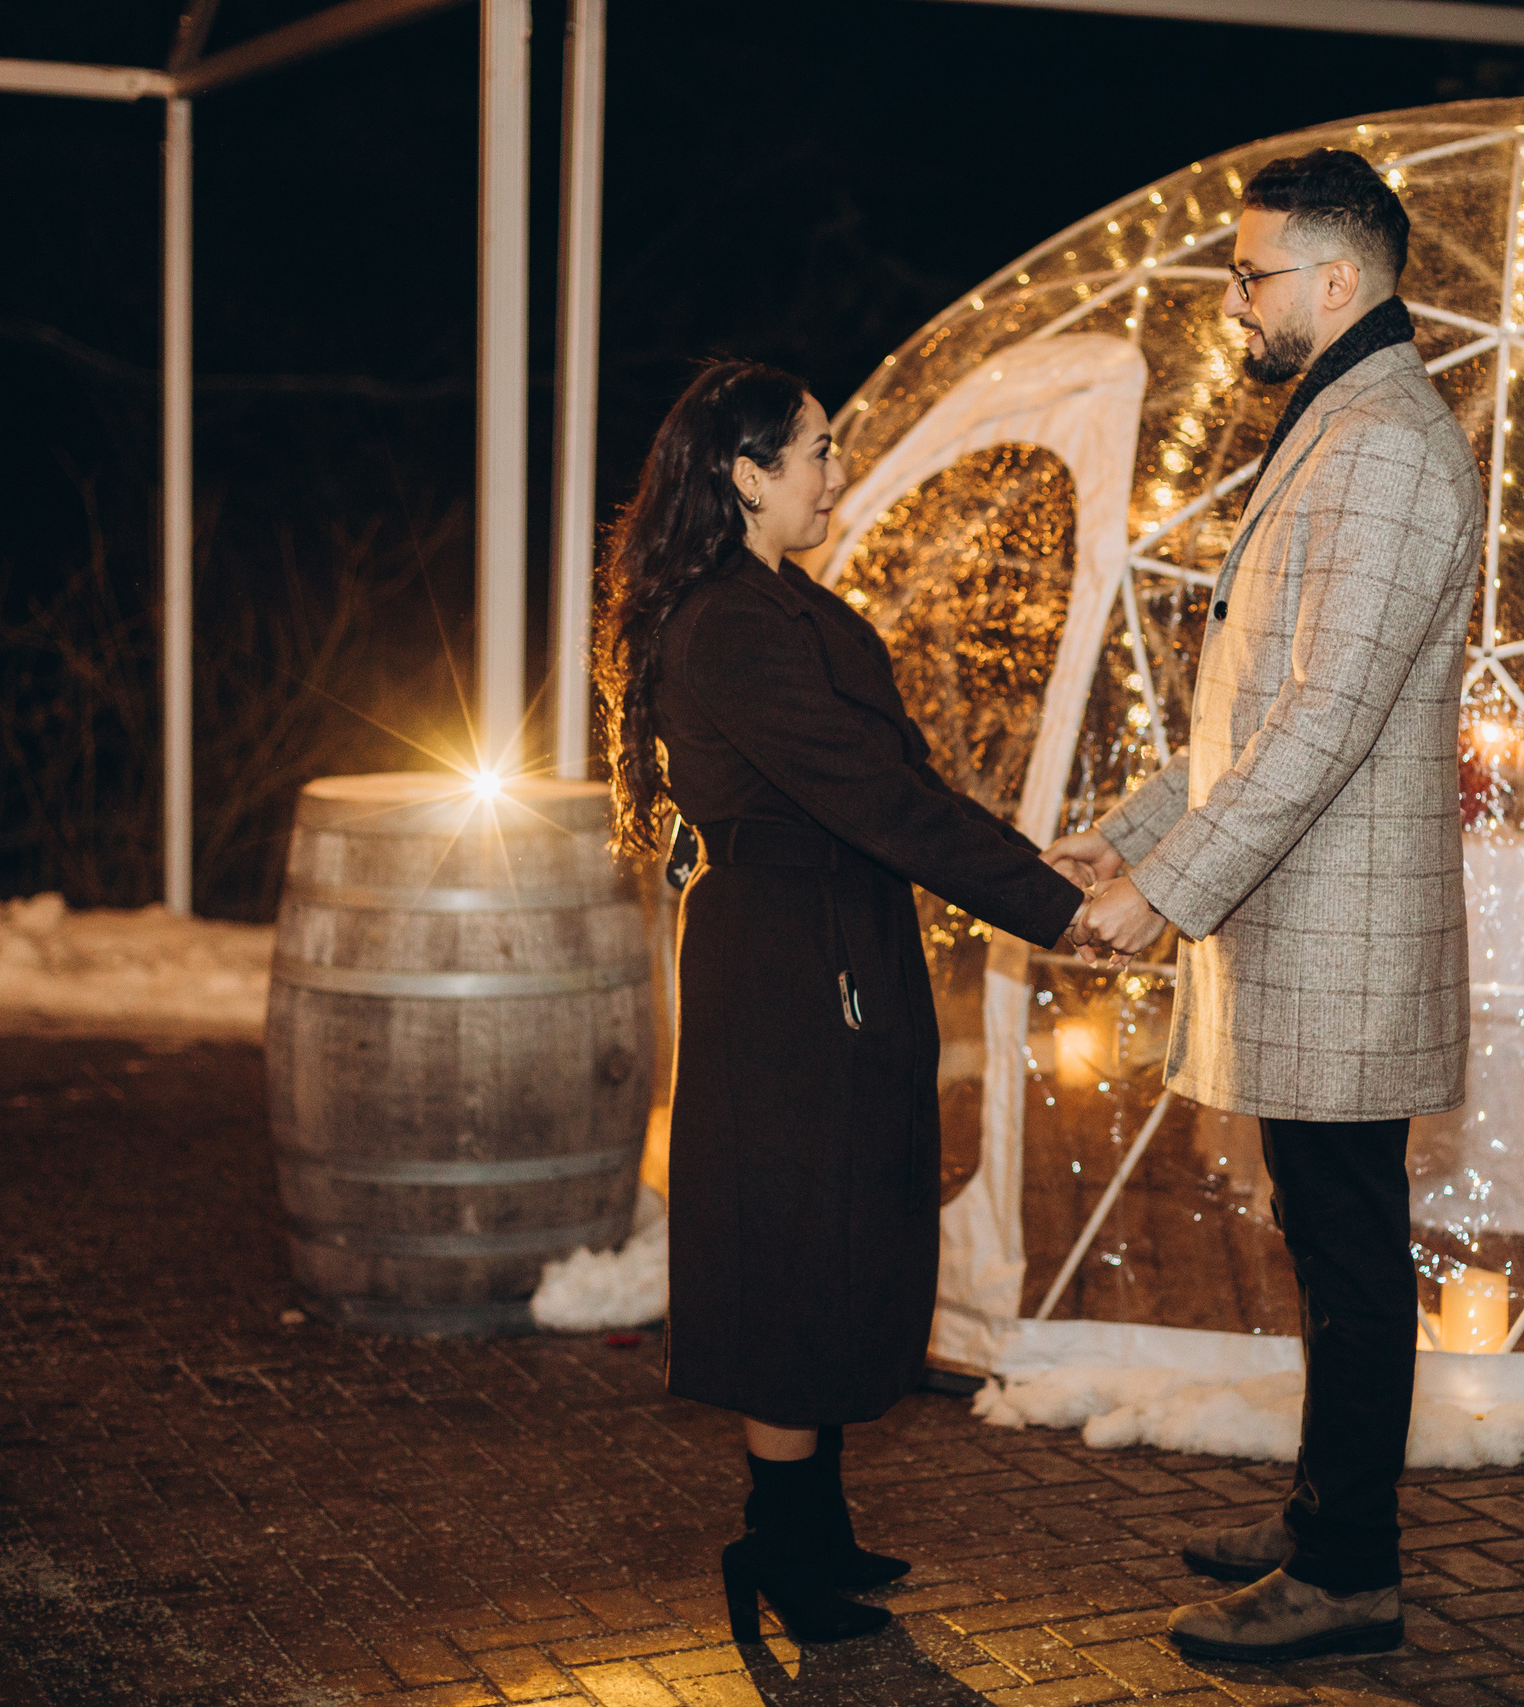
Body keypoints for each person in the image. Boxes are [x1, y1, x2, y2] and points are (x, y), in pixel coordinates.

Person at [1047, 148, 1482, 1662]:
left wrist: (1167, 892)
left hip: (1341, 933)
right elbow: (1259, 705)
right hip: (1306, 921)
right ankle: (1322, 1510)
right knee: (1328, 1233)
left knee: (1353, 1251)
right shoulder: (1340, 423)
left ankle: (1351, 1566)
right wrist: (1130, 841)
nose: (1230, 303)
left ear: (1341, 282)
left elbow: (1328, 715)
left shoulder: (1383, 442)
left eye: (1251, 275)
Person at [597, 361, 1087, 1644]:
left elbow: (888, 782)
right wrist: (1051, 903)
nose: (833, 469)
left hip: (831, 945)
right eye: (816, 449)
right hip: (788, 967)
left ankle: (809, 1530)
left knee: (836, 1229)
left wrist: (1042, 864)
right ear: (747, 476)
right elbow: (871, 799)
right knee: (792, 1242)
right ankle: (778, 1545)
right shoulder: (730, 624)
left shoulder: (765, 600)